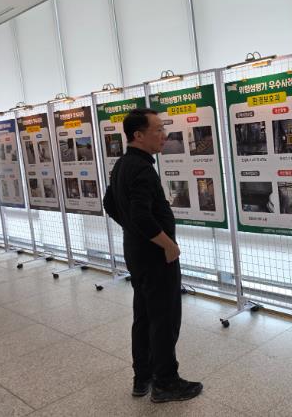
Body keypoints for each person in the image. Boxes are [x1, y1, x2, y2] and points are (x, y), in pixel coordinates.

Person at [103, 108, 203, 403]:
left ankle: (142, 377)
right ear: (138, 135)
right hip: (156, 257)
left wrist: (133, 230)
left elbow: (110, 203)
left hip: (137, 253)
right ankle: (166, 382)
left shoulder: (122, 164)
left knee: (144, 315)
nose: (164, 135)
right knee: (164, 318)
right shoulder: (143, 169)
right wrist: (167, 244)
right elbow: (141, 216)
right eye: (158, 129)